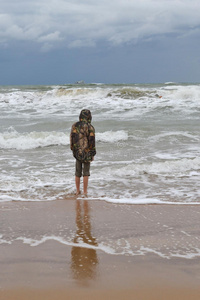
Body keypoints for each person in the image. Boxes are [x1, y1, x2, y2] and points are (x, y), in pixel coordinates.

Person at [70, 109, 96, 195]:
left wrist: (72, 148)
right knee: (86, 172)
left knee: (77, 172)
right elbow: (92, 141)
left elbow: (72, 138)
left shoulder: (74, 125)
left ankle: (77, 191)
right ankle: (85, 191)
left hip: (77, 151)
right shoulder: (90, 127)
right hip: (87, 151)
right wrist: (93, 153)